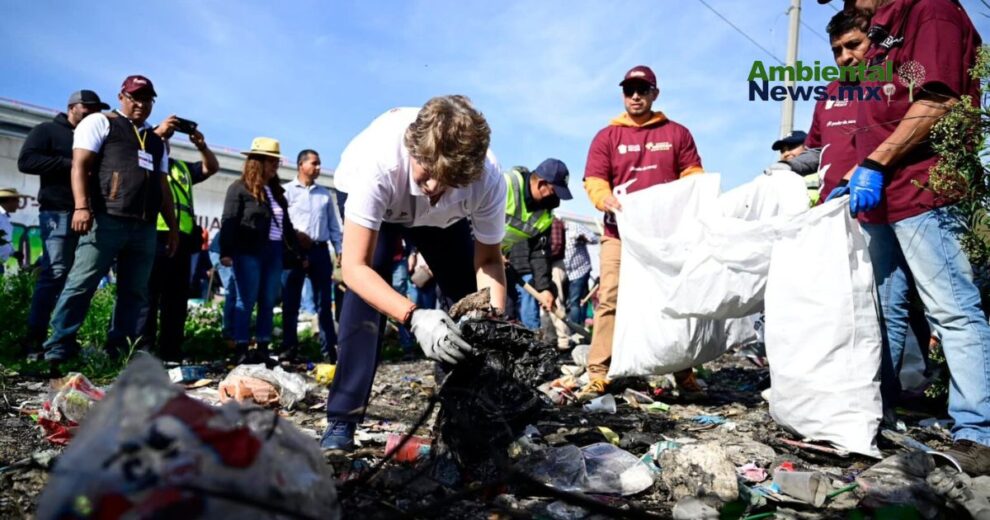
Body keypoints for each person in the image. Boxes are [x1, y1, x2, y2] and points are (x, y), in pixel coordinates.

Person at [822, 0, 990, 474]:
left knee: (952, 310)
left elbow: (938, 99)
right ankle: (875, 413)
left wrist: (874, 164)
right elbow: (889, 109)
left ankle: (978, 434)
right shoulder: (884, 30)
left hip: (924, 189)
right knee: (882, 312)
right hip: (885, 196)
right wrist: (855, 172)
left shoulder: (930, 12)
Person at [320, 96, 507, 450]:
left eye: (446, 178)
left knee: (468, 295)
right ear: (413, 150)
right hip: (384, 201)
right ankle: (343, 417)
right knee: (367, 294)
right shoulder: (378, 163)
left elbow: (488, 262)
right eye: (428, 171)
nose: (433, 187)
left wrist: (491, 322)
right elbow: (354, 268)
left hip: (443, 221)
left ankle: (466, 410)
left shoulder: (488, 178)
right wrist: (414, 316)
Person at [578, 65, 705, 401]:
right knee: (610, 298)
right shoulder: (607, 136)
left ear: (654, 94)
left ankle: (684, 373)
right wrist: (604, 199)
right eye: (629, 90)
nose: (635, 96)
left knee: (674, 299)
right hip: (618, 234)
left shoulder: (676, 133)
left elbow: (693, 175)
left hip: (666, 237)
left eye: (642, 90)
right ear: (623, 94)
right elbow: (595, 179)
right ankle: (598, 374)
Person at [43, 75, 179, 367]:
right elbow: (80, 165)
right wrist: (82, 206)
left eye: (147, 99)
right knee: (82, 283)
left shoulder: (156, 141)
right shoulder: (101, 122)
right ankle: (58, 348)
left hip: (144, 226)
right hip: (107, 219)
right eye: (135, 98)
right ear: (121, 97)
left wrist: (173, 227)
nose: (141, 104)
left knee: (134, 292)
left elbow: (163, 185)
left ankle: (118, 351)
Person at [18, 90, 109, 352]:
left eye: (97, 108)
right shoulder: (47, 131)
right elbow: (26, 161)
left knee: (79, 278)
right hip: (58, 212)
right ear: (72, 107)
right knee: (55, 272)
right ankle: (35, 338)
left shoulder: (98, 136)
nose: (94, 112)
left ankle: (62, 339)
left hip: (90, 214)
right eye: (88, 107)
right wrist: (71, 163)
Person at [138, 116, 219, 361]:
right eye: (161, 138)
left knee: (176, 298)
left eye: (167, 139)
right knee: (149, 296)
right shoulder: (143, 159)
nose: (165, 142)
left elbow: (211, 167)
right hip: (154, 234)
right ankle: (144, 349)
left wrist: (201, 146)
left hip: (181, 241)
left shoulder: (181, 168)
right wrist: (157, 134)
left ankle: (171, 350)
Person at [219, 137, 304, 366]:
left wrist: (297, 253)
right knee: (245, 300)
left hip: (274, 252)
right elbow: (229, 220)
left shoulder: (276, 191)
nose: (276, 165)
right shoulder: (239, 188)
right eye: (271, 161)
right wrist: (226, 251)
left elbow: (286, 226)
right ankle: (241, 347)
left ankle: (263, 348)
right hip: (248, 251)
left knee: (268, 301)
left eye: (277, 161)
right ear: (257, 162)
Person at [281, 149, 343, 362]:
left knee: (323, 303)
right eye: (314, 163)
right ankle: (289, 349)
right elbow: (281, 223)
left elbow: (333, 225)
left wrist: (339, 249)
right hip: (293, 252)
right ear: (301, 165)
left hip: (320, 251)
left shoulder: (324, 195)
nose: (318, 167)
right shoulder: (287, 192)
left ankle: (329, 351)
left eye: (319, 163)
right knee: (291, 302)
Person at [502, 159, 573, 331]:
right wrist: (488, 250)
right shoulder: (505, 186)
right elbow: (471, 214)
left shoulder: (545, 215)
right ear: (541, 184)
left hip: (498, 263)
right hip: (470, 250)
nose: (557, 200)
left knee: (503, 313)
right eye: (555, 193)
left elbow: (539, 252)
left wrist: (544, 288)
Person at [563, 221, 598, 326]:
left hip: (580, 270)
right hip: (565, 271)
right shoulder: (553, 231)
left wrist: (584, 238)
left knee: (575, 302)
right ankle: (580, 326)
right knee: (578, 300)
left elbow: (594, 239)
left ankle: (576, 328)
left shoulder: (575, 227)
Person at [548, 218, 571, 349]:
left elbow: (556, 246)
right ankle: (551, 340)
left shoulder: (554, 222)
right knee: (546, 306)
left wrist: (540, 255)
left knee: (556, 304)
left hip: (554, 266)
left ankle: (563, 341)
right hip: (546, 266)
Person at [0, 188, 25, 275]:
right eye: (18, 201)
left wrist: (13, 253)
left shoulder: (4, 217)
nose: (18, 206)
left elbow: (4, 240)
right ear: (10, 200)